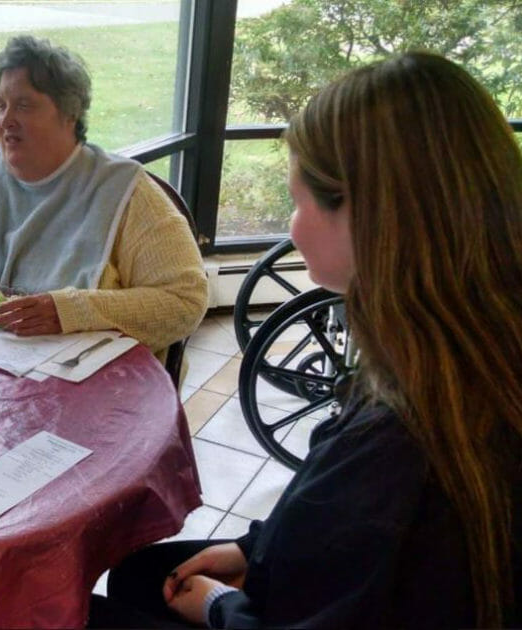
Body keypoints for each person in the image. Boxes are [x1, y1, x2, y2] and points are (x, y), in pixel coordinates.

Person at [89, 52, 522, 628]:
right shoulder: (469, 353)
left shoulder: (394, 442)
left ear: (372, 220)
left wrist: (221, 607)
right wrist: (254, 546)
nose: (292, 227)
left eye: (299, 202)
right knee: (143, 573)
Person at [0, 34, 207, 359]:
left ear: (69, 114)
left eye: (24, 105)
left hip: (95, 386)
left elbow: (185, 301)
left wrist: (70, 310)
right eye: (1, 105)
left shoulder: (126, 193)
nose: (6, 120)